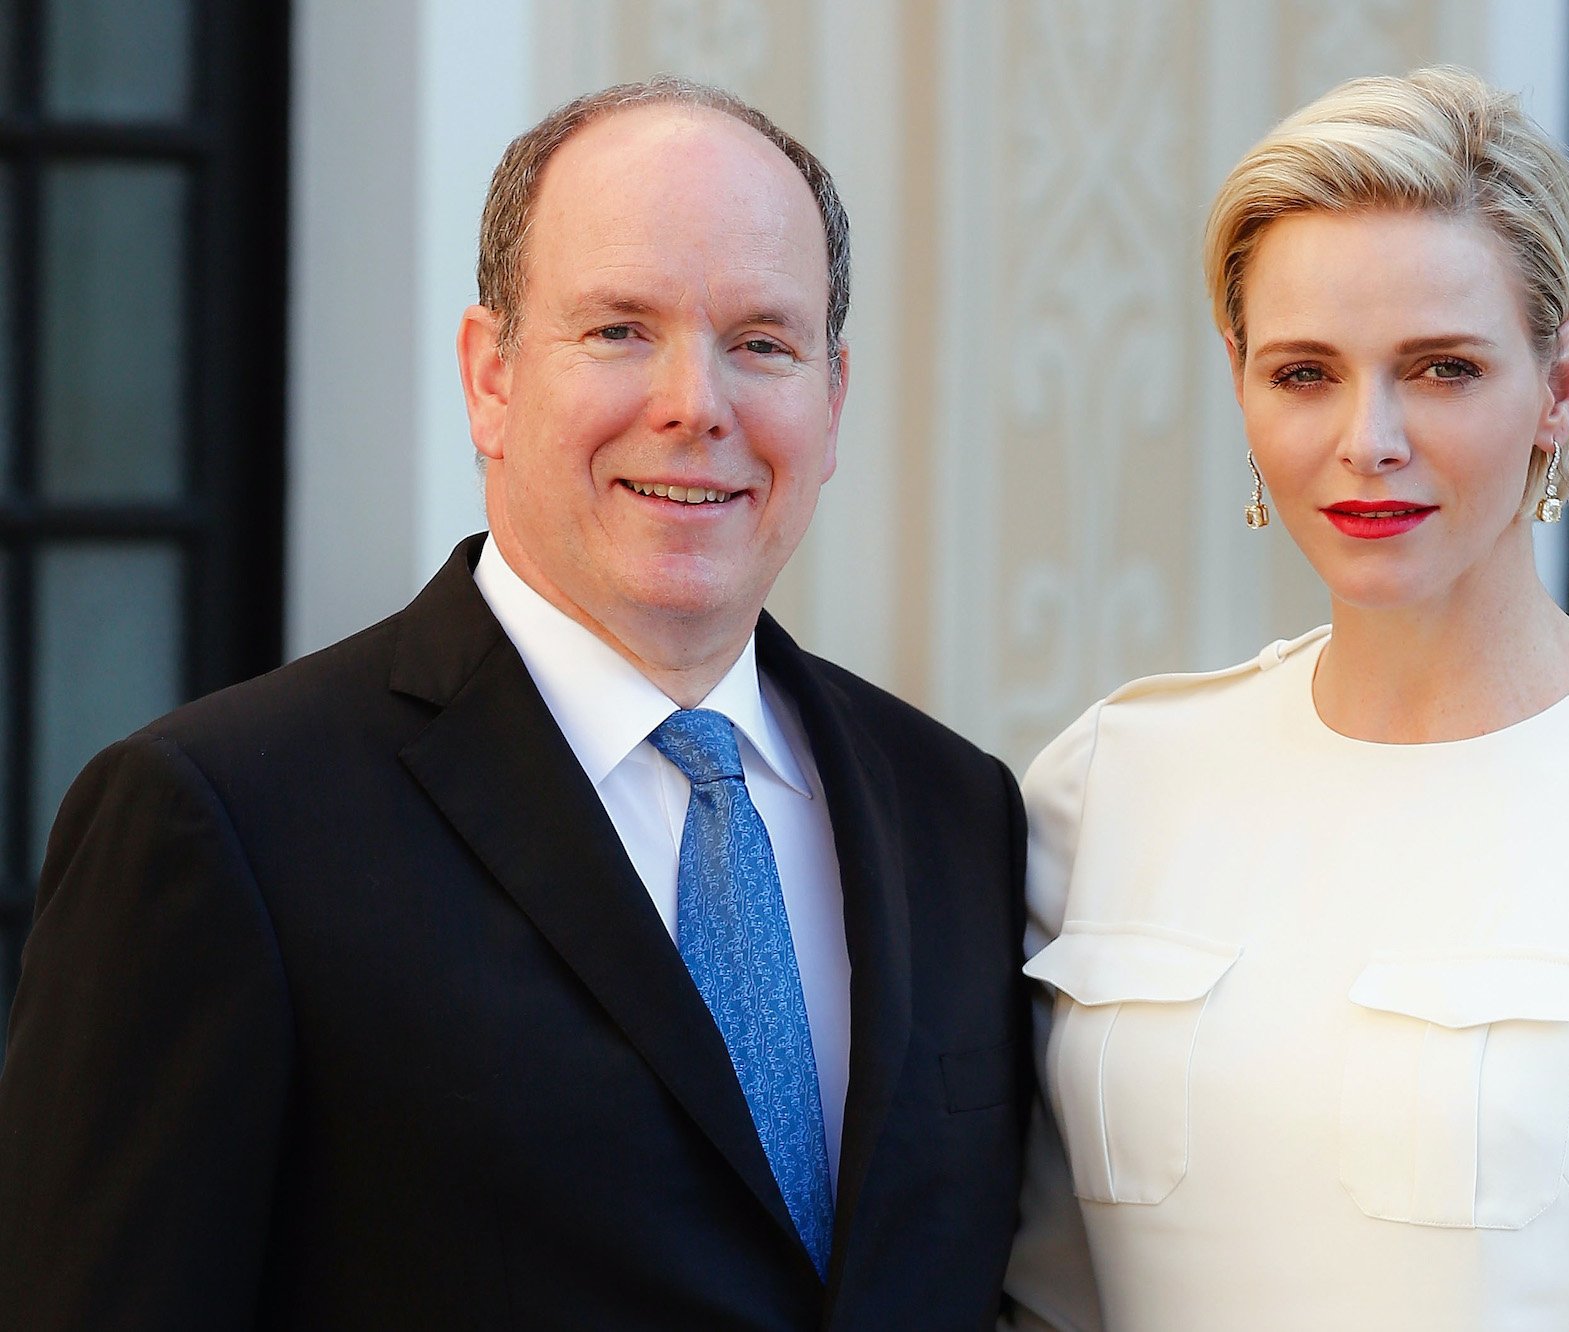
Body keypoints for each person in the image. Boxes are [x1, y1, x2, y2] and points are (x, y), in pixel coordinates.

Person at [0, 78, 1030, 1329]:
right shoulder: (225, 824)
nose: (694, 405)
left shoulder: (956, 812)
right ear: (491, 378)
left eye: (761, 342)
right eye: (618, 331)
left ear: (831, 395)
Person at [1002, 66, 1569, 1331]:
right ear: (1241, 384)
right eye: (1304, 373)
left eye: (1440, 369)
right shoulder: (1107, 784)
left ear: (1560, 385)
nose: (1368, 438)